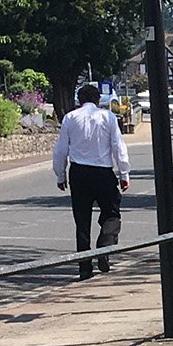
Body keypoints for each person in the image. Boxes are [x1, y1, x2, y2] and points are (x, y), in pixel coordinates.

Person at [53, 83, 131, 279]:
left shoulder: (70, 118)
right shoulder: (108, 117)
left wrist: (60, 175)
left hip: (79, 172)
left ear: (79, 100)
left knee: (82, 220)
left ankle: (84, 267)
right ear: (98, 100)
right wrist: (124, 174)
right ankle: (105, 246)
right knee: (112, 212)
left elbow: (61, 149)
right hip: (103, 171)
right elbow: (118, 146)